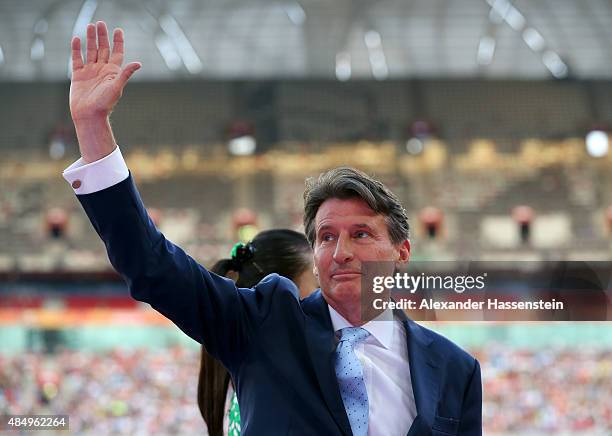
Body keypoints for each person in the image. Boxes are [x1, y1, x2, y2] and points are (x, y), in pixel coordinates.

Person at [64, 21, 482, 435]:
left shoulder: (453, 369)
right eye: (327, 237)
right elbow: (151, 265)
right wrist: (92, 127)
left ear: (402, 252)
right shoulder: (266, 324)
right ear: (314, 257)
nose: (341, 253)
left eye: (361, 234)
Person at [200, 231, 317, 436]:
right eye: (318, 288)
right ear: (279, 295)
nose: (327, 298)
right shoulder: (282, 388)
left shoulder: (255, 385)